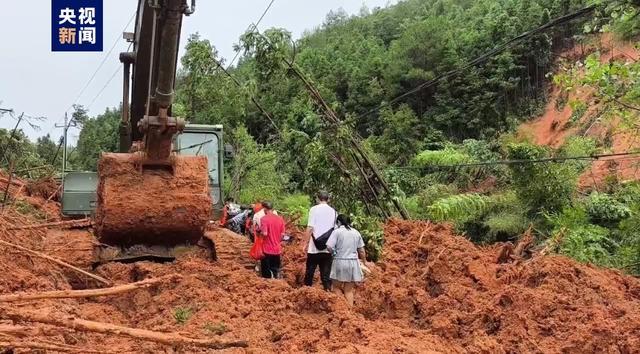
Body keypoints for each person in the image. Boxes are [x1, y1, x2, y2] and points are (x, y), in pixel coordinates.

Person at [326, 214, 367, 308]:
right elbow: (361, 250)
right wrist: (364, 262)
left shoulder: (337, 232)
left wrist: (334, 253)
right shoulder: (356, 232)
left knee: (336, 287)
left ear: (339, 222)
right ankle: (349, 312)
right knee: (348, 290)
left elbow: (329, 247)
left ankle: (341, 308)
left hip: (340, 261)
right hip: (353, 263)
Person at [303, 191, 336, 290]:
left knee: (310, 273)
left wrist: (305, 243)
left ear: (317, 199)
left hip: (314, 248)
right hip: (328, 248)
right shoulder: (334, 211)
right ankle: (328, 293)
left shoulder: (314, 209)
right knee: (326, 276)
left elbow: (310, 228)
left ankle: (306, 293)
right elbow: (335, 229)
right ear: (328, 199)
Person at [259, 201, 285, 279]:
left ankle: (267, 288)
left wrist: (259, 233)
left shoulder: (264, 219)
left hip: (267, 250)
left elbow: (265, 233)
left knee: (266, 274)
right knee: (275, 270)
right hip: (277, 250)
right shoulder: (280, 219)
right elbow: (282, 235)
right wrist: (276, 241)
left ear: (265, 209)